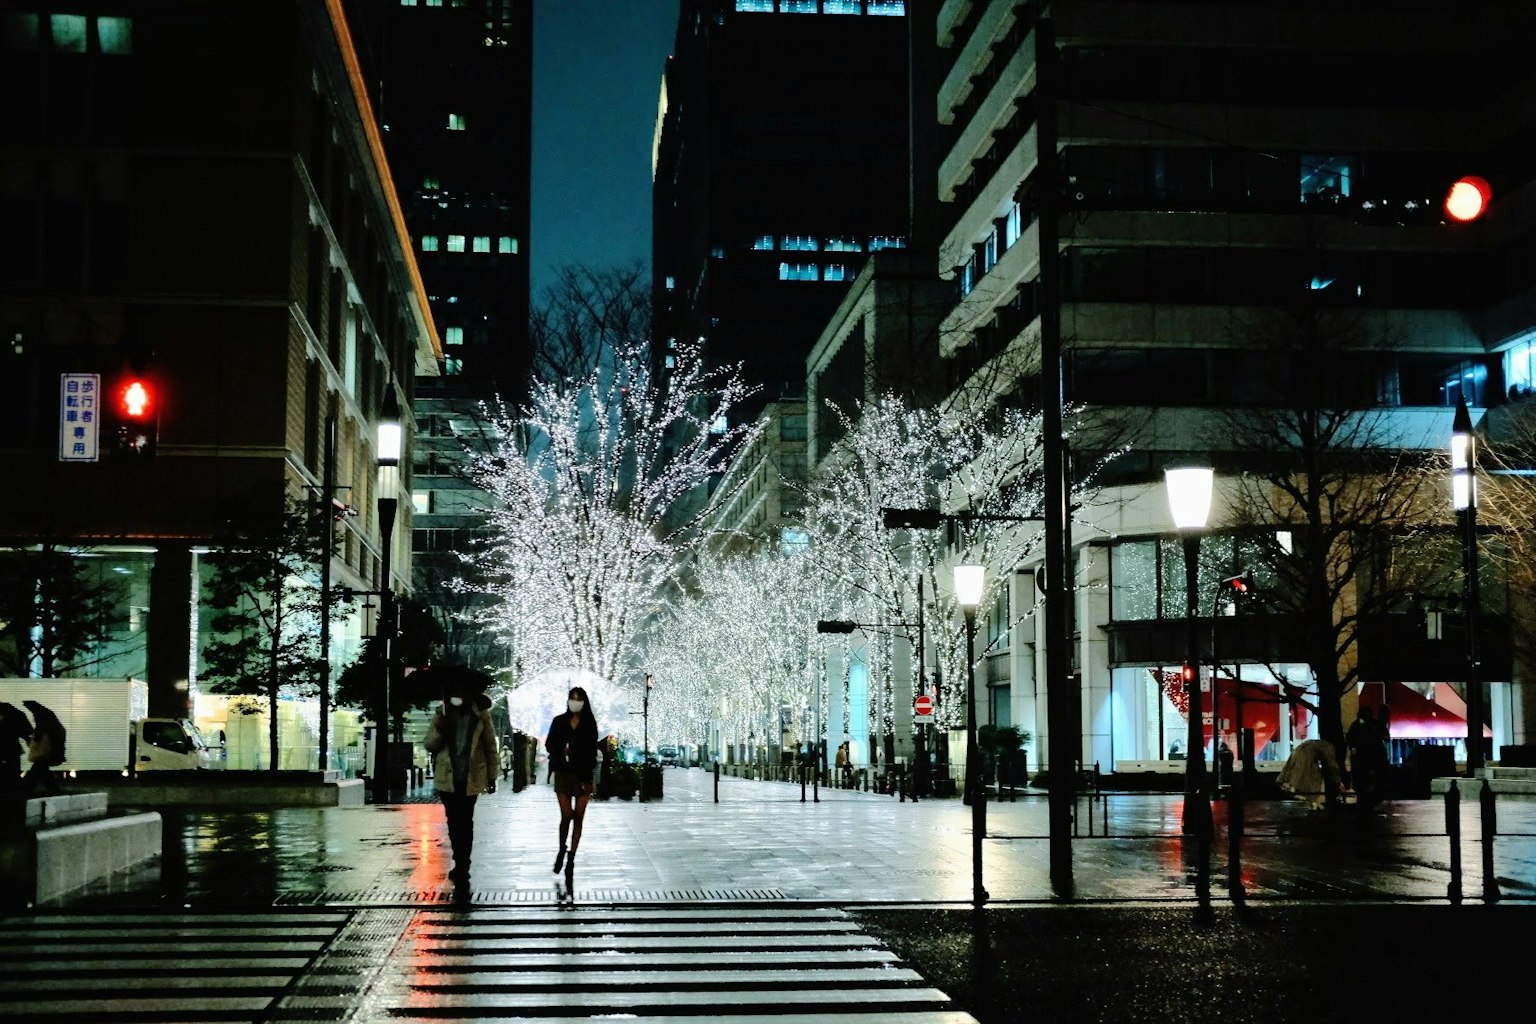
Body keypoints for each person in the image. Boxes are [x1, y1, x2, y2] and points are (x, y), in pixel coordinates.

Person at [423, 676, 499, 889]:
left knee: (466, 821)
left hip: (471, 776)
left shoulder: (480, 715)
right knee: (453, 823)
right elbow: (429, 744)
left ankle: (464, 864)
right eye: (453, 694)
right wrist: (441, 728)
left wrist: (492, 776)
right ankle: (459, 860)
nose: (456, 697)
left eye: (460, 693)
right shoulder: (443, 714)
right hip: (448, 777)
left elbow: (490, 746)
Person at [545, 685, 598, 886]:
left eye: (578, 698)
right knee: (566, 815)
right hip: (564, 774)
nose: (575, 702)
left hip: (583, 775)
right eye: (572, 698)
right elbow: (550, 744)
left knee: (579, 818)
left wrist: (587, 777)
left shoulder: (589, 724)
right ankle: (561, 849)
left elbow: (592, 751)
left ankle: (571, 858)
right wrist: (561, 750)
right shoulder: (559, 721)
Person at [1277, 738, 1344, 810]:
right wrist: (1339, 781)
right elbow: (1332, 764)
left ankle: (1310, 800)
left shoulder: (1322, 744)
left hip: (1299, 751)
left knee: (1304, 776)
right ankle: (1312, 802)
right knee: (1313, 778)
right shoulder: (1330, 747)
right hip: (1306, 755)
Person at [22, 701, 66, 795]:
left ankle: (26, 788)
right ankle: (53, 789)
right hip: (45, 753)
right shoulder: (50, 723)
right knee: (42, 772)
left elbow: (39, 739)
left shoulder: (42, 727)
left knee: (38, 771)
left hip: (42, 753)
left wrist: (32, 743)